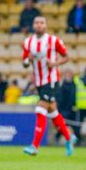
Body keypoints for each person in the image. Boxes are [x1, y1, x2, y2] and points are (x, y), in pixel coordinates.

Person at [22, 16, 76, 156]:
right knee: (52, 111)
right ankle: (70, 139)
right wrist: (29, 60)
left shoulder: (53, 40)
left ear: (45, 25)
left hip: (51, 80)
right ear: (33, 25)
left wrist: (54, 64)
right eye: (36, 23)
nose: (39, 25)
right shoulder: (28, 42)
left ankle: (35, 146)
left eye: (42, 23)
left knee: (40, 108)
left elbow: (66, 56)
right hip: (39, 82)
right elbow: (24, 62)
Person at [74, 67, 86, 146]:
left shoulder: (77, 80)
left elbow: (73, 93)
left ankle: (78, 141)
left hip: (80, 106)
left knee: (78, 125)